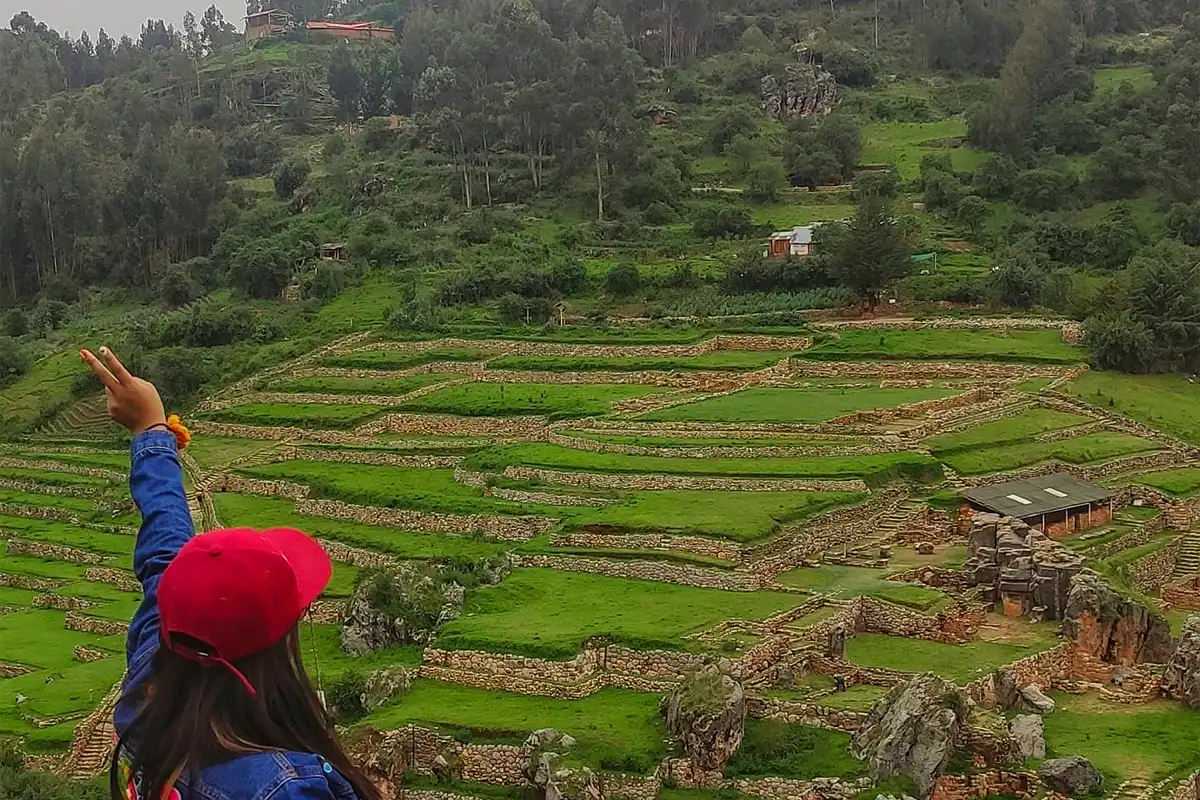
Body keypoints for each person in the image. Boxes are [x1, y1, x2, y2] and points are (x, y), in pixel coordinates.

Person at [81, 347, 380, 800]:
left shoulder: (151, 679)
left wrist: (151, 432)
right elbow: (162, 557)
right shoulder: (277, 789)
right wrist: (150, 429)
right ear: (274, 644)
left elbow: (163, 548)